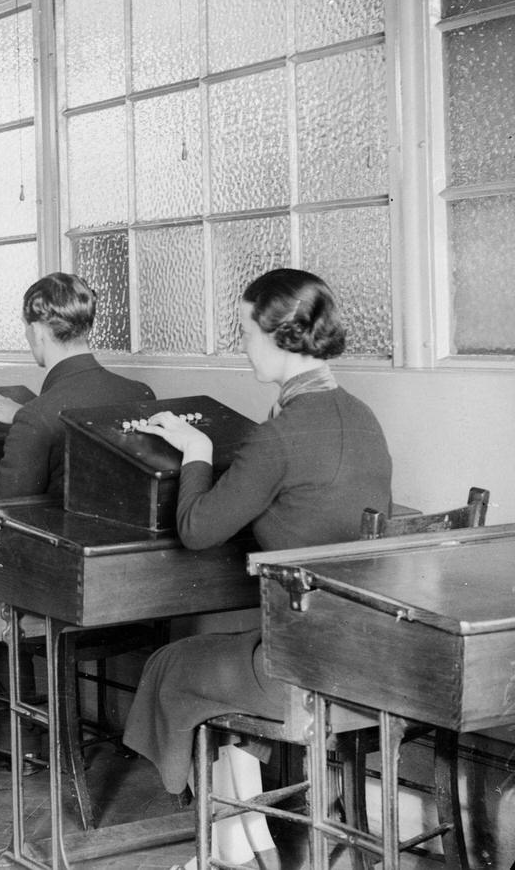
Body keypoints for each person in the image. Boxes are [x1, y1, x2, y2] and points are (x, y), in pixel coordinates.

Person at [120, 268, 392, 863]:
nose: (243, 345)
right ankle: (242, 843)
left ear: (280, 335)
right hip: (367, 659)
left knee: (172, 660)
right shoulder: (362, 417)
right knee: (218, 644)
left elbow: (196, 529)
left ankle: (230, 847)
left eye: (245, 331)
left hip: (300, 669)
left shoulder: (278, 436)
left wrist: (196, 453)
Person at [0, 272, 155, 776]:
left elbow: (9, 521)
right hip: (128, 592)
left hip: (58, 594)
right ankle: (10, 727)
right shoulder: (139, 392)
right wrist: (27, 414)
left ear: (39, 329)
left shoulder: (41, 415)